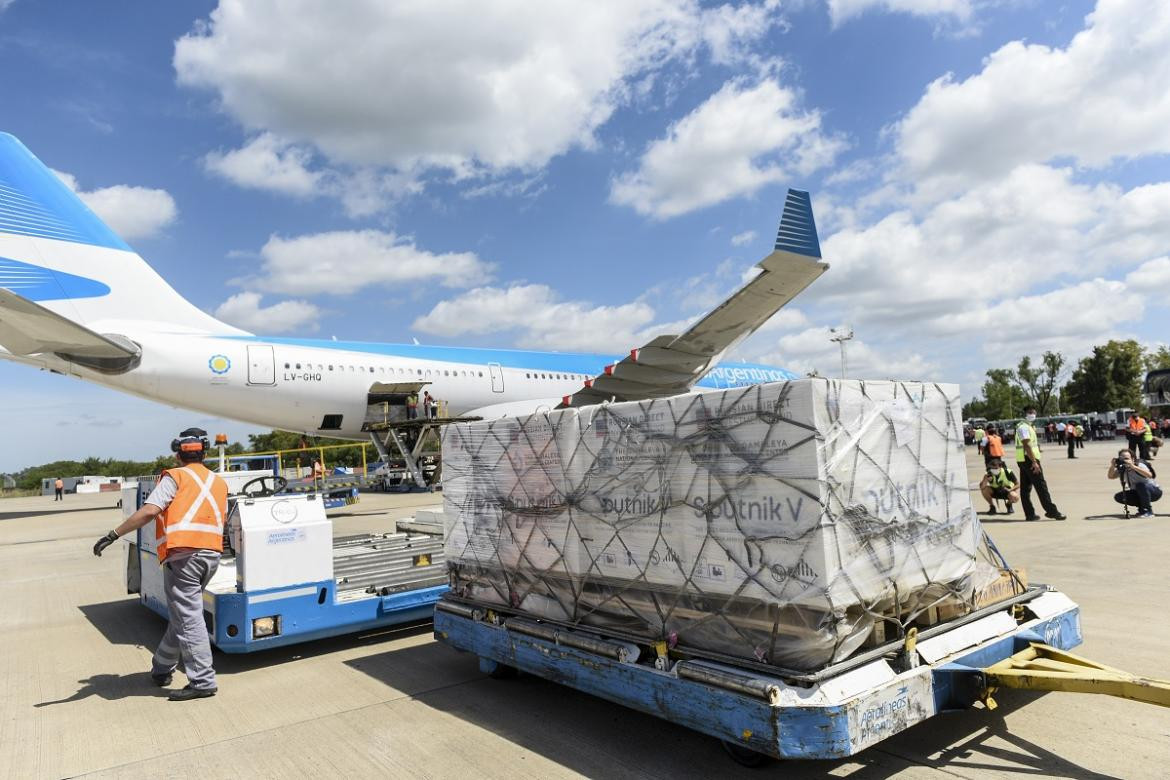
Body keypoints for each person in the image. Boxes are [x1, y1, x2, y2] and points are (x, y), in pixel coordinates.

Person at [92, 428, 228, 701]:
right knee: (182, 615)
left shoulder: (175, 477)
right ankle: (161, 668)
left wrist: (113, 534)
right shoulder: (218, 481)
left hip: (184, 556)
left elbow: (150, 510)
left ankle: (202, 681)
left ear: (178, 454)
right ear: (206, 452)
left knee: (188, 618)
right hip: (210, 556)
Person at [1016, 406, 1067, 521]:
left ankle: (1030, 514)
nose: (1032, 414)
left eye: (1034, 412)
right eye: (1030, 412)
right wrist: (1034, 462)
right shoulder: (1023, 427)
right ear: (1025, 414)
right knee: (1041, 486)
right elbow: (1026, 445)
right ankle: (1052, 511)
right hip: (1029, 460)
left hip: (1023, 460)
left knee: (1025, 489)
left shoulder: (1026, 426)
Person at [1108, 449, 1161, 518]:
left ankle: (1148, 511)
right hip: (1139, 491)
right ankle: (1141, 509)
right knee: (1120, 497)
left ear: (1133, 459)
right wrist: (1112, 466)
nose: (1124, 461)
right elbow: (1111, 476)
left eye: (1126, 458)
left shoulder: (1140, 465)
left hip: (1154, 491)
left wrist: (1133, 467)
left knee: (1140, 485)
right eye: (1122, 458)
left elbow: (1149, 475)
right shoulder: (1122, 468)